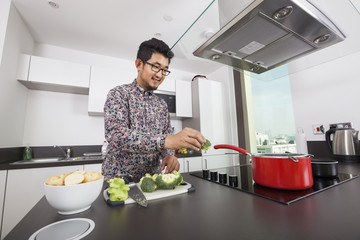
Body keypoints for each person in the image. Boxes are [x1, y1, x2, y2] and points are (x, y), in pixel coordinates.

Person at [102, 38, 205, 182]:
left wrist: (169, 155)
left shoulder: (162, 105)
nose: (160, 75)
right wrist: (166, 141)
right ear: (139, 64)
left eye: (164, 70)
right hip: (119, 181)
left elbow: (167, 135)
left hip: (152, 181)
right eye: (155, 67)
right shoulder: (118, 94)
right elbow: (116, 135)